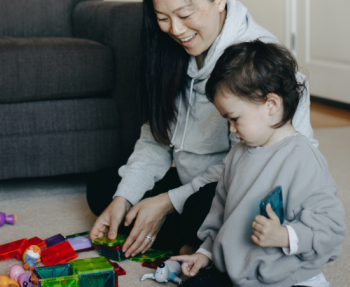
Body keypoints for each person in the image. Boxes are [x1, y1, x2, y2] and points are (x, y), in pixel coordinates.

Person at [87, 0, 318, 258]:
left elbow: (258, 168)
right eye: (162, 18)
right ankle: (191, 242)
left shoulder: (259, 65)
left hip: (237, 185)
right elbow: (156, 139)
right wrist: (124, 198)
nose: (175, 29)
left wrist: (167, 203)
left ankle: (194, 244)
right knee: (104, 188)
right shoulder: (167, 50)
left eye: (185, 14)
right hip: (192, 183)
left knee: (207, 210)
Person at [171, 40, 347, 287]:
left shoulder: (304, 160)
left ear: (271, 105)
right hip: (240, 273)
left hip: (288, 279)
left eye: (235, 119)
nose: (231, 129)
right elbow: (220, 211)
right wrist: (206, 253)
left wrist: (285, 236)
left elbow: (332, 230)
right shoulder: (238, 154)